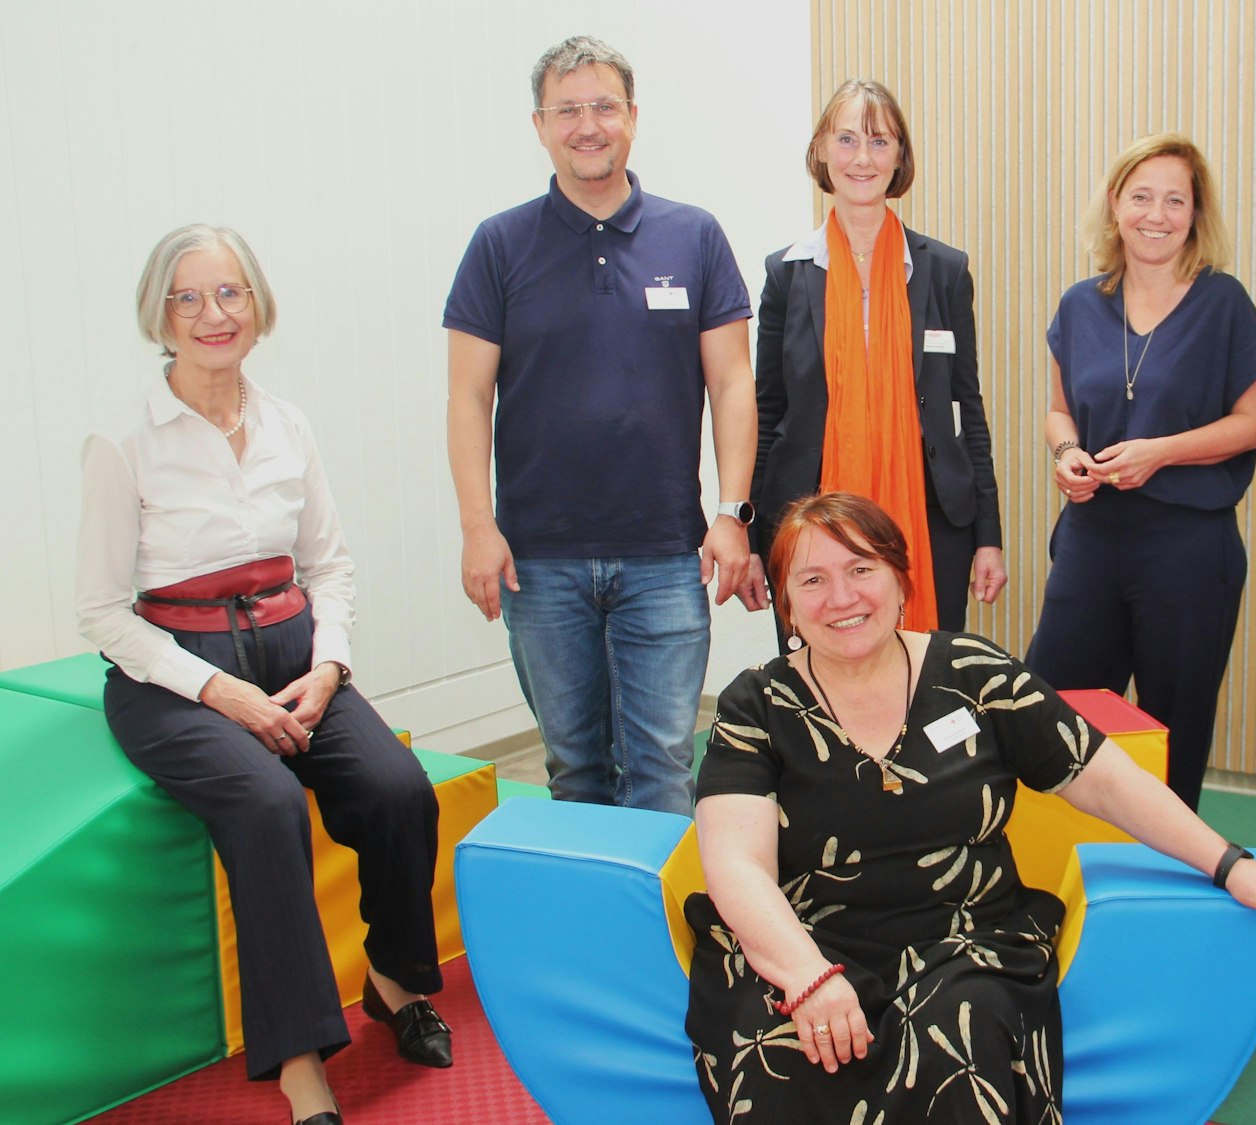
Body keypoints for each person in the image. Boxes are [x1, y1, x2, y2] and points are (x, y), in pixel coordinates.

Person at [685, 492, 1256, 1123]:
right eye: (813, 580)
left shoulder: (974, 675)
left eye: (861, 569)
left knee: (960, 1033)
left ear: (901, 580)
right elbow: (737, 862)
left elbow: (1103, 779)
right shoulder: (756, 704)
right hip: (804, 940)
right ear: (787, 604)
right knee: (787, 1050)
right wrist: (808, 976)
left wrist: (1228, 863)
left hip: (963, 941)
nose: (841, 597)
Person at [77, 225, 449, 1125]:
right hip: (173, 678)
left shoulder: (288, 424)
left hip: (292, 658)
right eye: (188, 297)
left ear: (256, 304)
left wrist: (328, 667)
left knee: (400, 789)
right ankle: (297, 1057)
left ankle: (394, 980)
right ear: (160, 315)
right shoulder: (124, 440)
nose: (213, 314)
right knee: (269, 804)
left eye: (230, 292)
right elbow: (102, 613)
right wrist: (219, 692)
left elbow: (329, 567)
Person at [444, 36, 759, 816]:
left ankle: (656, 900)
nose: (588, 125)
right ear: (540, 125)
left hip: (665, 555)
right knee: (575, 771)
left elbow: (732, 382)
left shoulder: (694, 236)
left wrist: (731, 513)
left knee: (662, 768)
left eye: (604, 106)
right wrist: (478, 526)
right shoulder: (498, 245)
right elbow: (467, 396)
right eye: (568, 110)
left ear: (633, 117)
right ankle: (590, 898)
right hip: (539, 560)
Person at [1023, 133, 1256, 811]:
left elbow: (1254, 422)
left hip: (1189, 546)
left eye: (1174, 200)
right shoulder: (1080, 304)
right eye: (1141, 197)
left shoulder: (1223, 303)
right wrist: (1066, 453)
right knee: (1052, 707)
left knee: (1174, 728)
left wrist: (1160, 452)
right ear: (1115, 204)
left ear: (1196, 213)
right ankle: (1053, 855)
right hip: (1092, 536)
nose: (1155, 215)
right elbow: (1058, 411)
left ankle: (1168, 860)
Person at [753, 79, 1005, 638]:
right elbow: (767, 416)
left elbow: (967, 410)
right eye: (846, 139)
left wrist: (988, 536)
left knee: (926, 672)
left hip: (932, 525)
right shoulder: (786, 275)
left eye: (879, 141)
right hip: (809, 526)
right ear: (821, 150)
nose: (862, 158)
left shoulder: (944, 271)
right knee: (817, 676)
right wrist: (750, 541)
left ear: (899, 156)